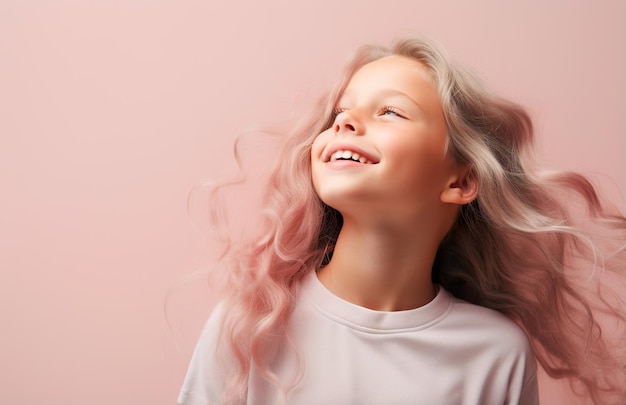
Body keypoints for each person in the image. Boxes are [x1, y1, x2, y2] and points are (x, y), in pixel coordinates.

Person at [178, 35, 626, 404]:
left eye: (389, 111)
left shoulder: (495, 354)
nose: (345, 122)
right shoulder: (249, 328)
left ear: (462, 180)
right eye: (340, 112)